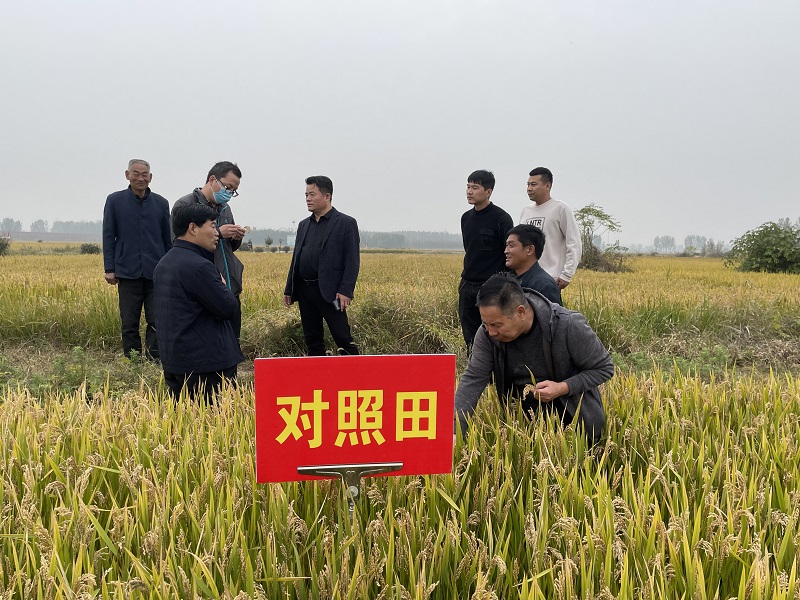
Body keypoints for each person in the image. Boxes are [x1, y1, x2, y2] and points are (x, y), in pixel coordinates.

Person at [454, 274, 612, 445]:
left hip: (575, 428)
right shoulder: (487, 334)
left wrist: (562, 387)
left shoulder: (567, 325)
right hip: (522, 430)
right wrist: (454, 431)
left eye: (497, 325)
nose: (491, 332)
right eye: (485, 324)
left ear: (520, 312)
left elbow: (603, 368)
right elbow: (473, 379)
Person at [153, 203, 243, 402]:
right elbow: (229, 307)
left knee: (186, 424)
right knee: (216, 425)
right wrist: (222, 285)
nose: (216, 233)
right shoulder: (199, 266)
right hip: (206, 366)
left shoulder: (165, 263)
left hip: (176, 362)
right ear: (193, 228)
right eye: (212, 226)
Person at [102, 159, 172, 359]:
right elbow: (109, 236)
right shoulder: (114, 201)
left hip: (155, 272)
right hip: (127, 270)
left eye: (144, 174)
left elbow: (167, 240)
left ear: (150, 177)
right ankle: (132, 360)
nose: (140, 178)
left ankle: (154, 359)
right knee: (129, 321)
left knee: (156, 320)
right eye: (136, 173)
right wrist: (109, 268)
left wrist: (170, 269)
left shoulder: (161, 203)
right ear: (127, 175)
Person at [284, 176, 360, 356]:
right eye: (306, 195)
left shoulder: (345, 223)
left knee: (343, 338)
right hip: (305, 290)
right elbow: (296, 258)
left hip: (331, 292)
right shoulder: (304, 225)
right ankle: (318, 380)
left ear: (327, 196)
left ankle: (357, 376)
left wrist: (346, 290)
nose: (308, 199)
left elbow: (352, 260)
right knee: (312, 340)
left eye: (312, 194)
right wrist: (289, 289)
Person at [172, 161, 245, 339]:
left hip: (229, 284)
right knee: (211, 340)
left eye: (233, 191)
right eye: (227, 187)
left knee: (232, 340)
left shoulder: (225, 208)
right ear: (212, 180)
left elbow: (228, 248)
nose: (229, 193)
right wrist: (219, 232)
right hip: (204, 285)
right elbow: (178, 244)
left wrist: (236, 237)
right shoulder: (185, 205)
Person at [459, 169, 514, 348]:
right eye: (468, 187)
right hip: (468, 284)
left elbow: (509, 253)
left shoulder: (501, 218)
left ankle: (495, 371)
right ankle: (474, 369)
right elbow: (470, 249)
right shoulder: (466, 218)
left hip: (492, 286)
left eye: (475, 187)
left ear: (488, 192)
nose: (469, 191)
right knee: (469, 335)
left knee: (494, 334)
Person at [518, 167, 582, 290]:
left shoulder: (560, 209)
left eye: (534, 184)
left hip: (550, 278)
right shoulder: (526, 211)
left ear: (547, 186)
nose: (529, 189)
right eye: (528, 184)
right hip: (525, 277)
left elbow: (574, 243)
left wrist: (567, 275)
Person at [504, 224, 562, 305]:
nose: (506, 251)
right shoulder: (507, 280)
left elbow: (552, 317)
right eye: (506, 246)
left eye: (511, 245)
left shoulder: (545, 286)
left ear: (529, 250)